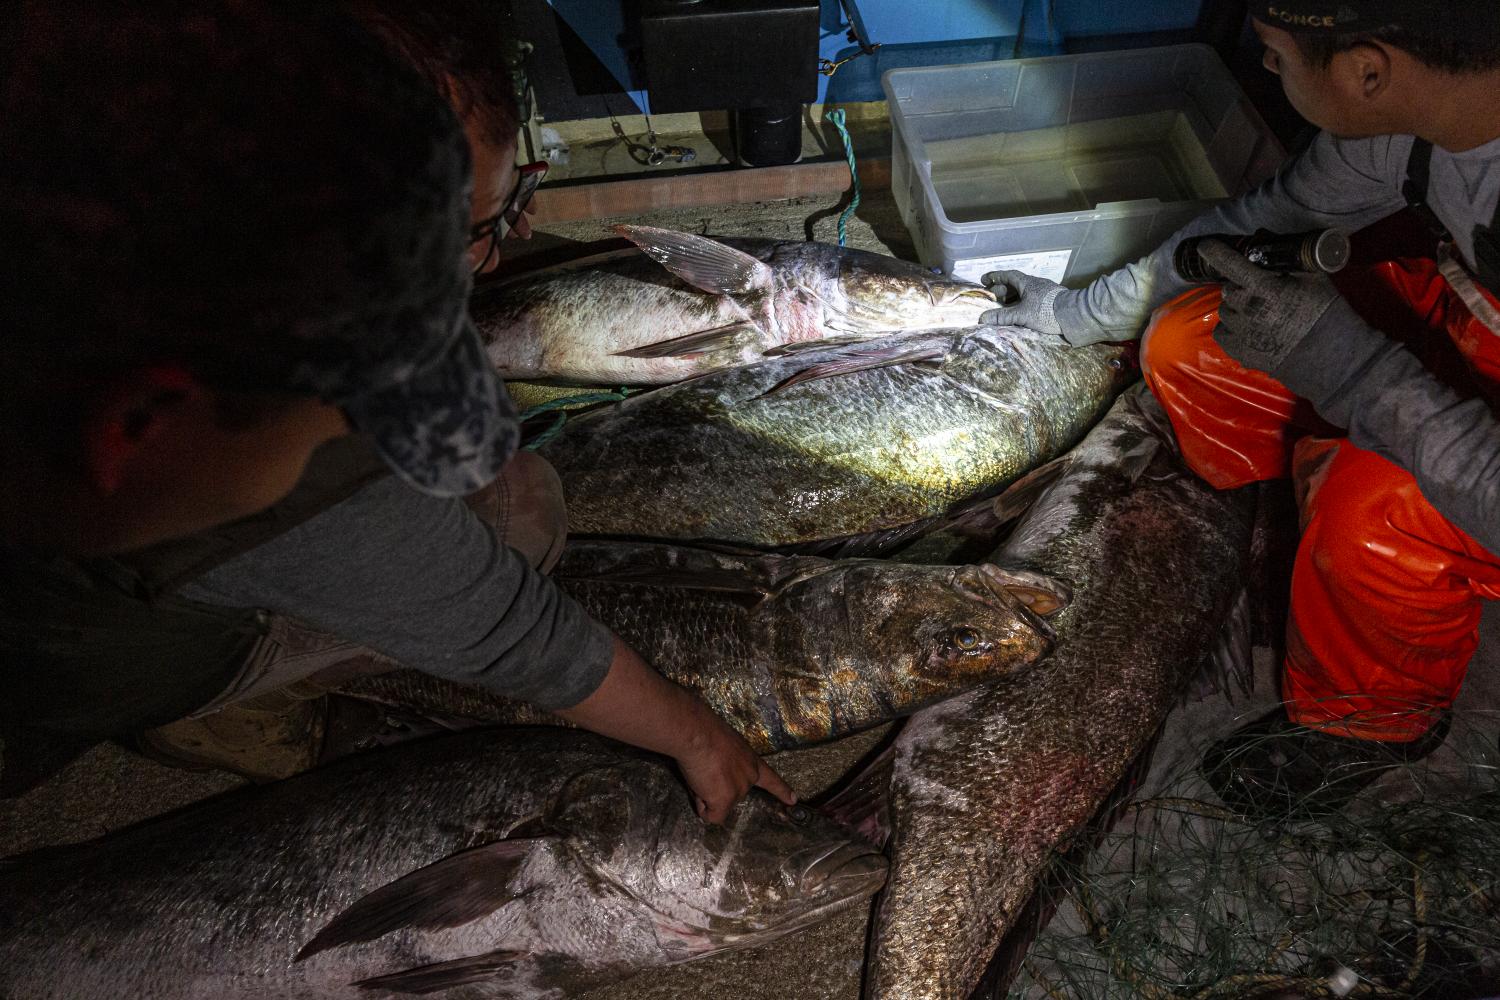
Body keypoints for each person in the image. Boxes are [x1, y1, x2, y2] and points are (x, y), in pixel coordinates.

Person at [0, 2, 794, 825]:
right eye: (463, 234)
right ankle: (203, 702)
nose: (489, 255)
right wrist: (697, 738)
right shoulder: (238, 450)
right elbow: (506, 627)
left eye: (480, 222)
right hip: (71, 654)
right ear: (136, 426)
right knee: (517, 509)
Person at [977, 0, 1500, 816]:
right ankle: (1293, 523)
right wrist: (1069, 314)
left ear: (1367, 71)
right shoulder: (1413, 126)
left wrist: (1342, 363)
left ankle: (1377, 718)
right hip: (1472, 317)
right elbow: (1246, 228)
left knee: (1375, 511)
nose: (1264, 69)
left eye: (1275, 54)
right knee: (1197, 339)